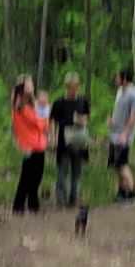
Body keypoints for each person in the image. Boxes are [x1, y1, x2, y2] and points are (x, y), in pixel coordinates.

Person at [50, 72, 92, 217]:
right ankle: (61, 201)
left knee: (77, 173)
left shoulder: (83, 101)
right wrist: (53, 139)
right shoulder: (58, 102)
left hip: (79, 140)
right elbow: (53, 123)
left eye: (76, 87)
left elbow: (86, 119)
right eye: (71, 87)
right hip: (63, 141)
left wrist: (81, 120)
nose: (74, 90)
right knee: (62, 172)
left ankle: (73, 200)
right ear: (67, 87)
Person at [10, 74, 47, 214]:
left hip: (38, 144)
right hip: (29, 146)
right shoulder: (20, 105)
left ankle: (32, 204)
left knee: (36, 176)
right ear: (22, 87)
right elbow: (39, 122)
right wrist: (43, 118)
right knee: (27, 177)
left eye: (32, 83)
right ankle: (19, 206)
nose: (32, 86)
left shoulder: (31, 103)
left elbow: (42, 122)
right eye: (29, 84)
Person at [108, 67, 135, 201]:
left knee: (123, 164)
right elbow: (118, 109)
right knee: (116, 165)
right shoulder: (120, 91)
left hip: (124, 136)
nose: (116, 80)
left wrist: (125, 133)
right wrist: (112, 120)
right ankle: (122, 191)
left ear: (125, 79)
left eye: (118, 77)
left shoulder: (134, 94)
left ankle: (132, 192)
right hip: (114, 133)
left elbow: (134, 116)